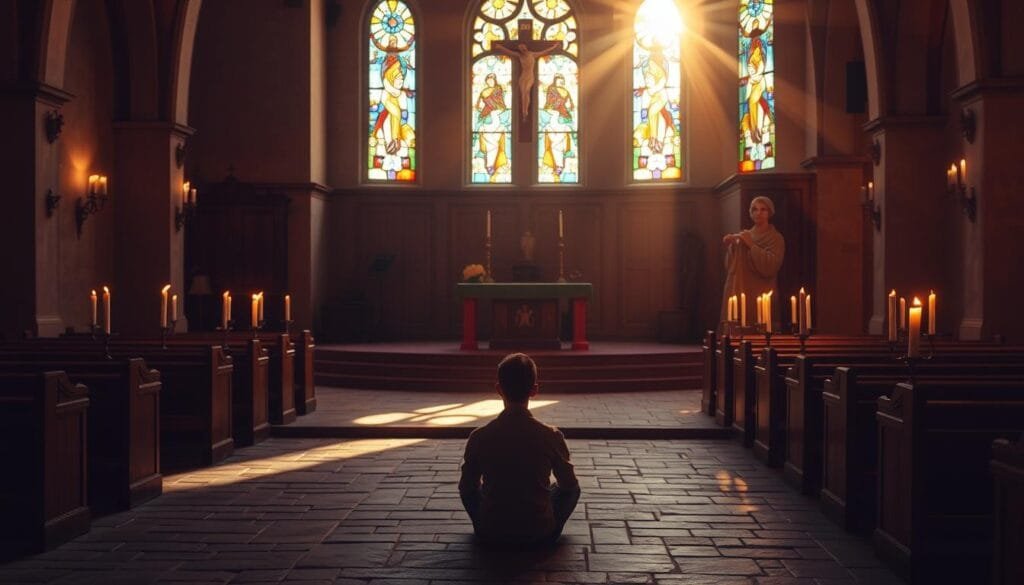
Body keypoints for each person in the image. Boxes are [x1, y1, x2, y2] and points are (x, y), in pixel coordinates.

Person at [459, 353, 580, 547]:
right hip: (538, 533)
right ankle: (542, 525)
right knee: (569, 490)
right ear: (534, 390)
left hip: (492, 532)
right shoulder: (550, 435)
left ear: (499, 389)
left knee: (475, 490)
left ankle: (488, 524)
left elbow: (467, 488)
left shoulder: (480, 436)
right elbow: (568, 484)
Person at [720, 195, 785, 323]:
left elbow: (771, 266)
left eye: (763, 209)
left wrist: (751, 245)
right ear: (750, 213)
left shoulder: (775, 238)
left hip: (761, 291)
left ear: (769, 213)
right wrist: (732, 247)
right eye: (754, 209)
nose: (758, 213)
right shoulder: (744, 235)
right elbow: (731, 267)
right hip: (740, 287)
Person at [495, 42, 559, 122]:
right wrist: (500, 47)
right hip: (523, 77)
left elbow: (544, 52)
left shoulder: (532, 54)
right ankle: (524, 111)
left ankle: (525, 111)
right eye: (520, 48)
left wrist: (554, 47)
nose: (522, 49)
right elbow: (509, 52)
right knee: (523, 93)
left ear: (526, 47)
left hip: (530, 76)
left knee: (527, 91)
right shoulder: (519, 56)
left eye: (523, 47)